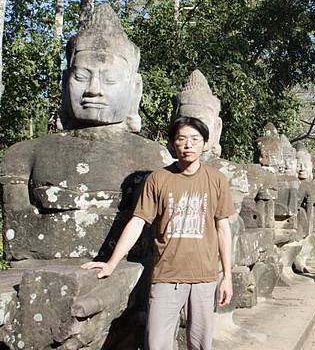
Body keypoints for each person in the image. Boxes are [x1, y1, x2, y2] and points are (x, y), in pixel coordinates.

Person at [82, 116, 235, 350]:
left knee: (201, 344)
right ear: (173, 143)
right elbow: (138, 222)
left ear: (205, 143)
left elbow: (223, 228)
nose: (188, 145)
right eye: (181, 139)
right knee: (156, 343)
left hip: (205, 276)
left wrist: (227, 276)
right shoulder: (158, 179)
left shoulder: (216, 180)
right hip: (166, 275)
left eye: (195, 139)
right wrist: (111, 262)